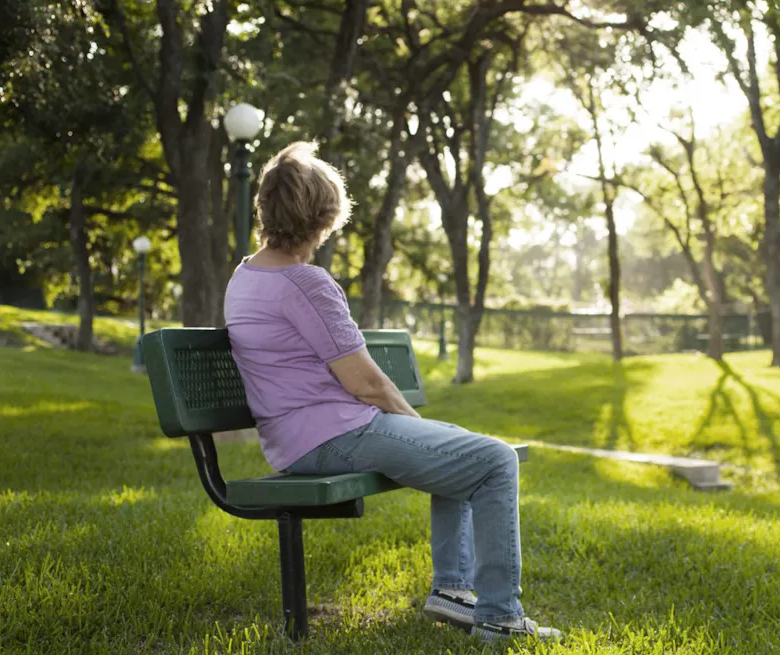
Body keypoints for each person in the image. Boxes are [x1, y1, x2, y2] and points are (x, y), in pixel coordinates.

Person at [223, 141, 561, 643]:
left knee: (463, 450)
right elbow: (368, 383)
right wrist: (413, 425)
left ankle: (452, 592)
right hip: (332, 436)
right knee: (494, 461)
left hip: (297, 437)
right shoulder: (305, 283)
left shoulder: (246, 275)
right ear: (324, 216)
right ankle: (499, 618)